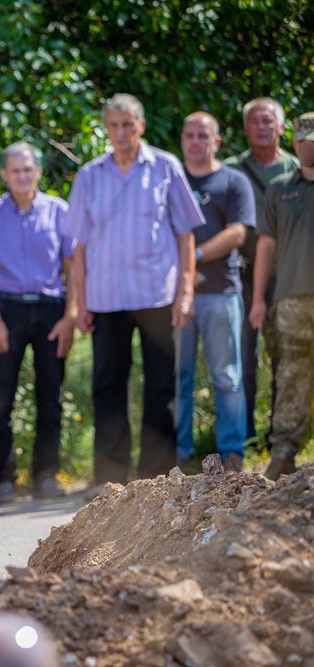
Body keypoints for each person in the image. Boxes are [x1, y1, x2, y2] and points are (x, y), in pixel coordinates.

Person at [64, 94, 204, 490]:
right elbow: (79, 247)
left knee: (160, 385)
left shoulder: (165, 167)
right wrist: (80, 302)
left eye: (128, 125)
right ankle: (110, 482)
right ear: (106, 129)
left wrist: (186, 292)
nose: (121, 133)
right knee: (107, 385)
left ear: (141, 126)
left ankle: (155, 479)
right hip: (105, 298)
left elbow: (185, 235)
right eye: (114, 125)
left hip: (157, 294)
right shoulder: (90, 175)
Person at [0, 142, 75, 503]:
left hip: (50, 308)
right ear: (4, 175)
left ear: (38, 172)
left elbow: (72, 266)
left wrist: (71, 316)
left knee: (52, 395)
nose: (21, 176)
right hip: (8, 308)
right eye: (14, 170)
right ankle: (2, 479)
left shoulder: (59, 211)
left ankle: (46, 476)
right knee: (1, 395)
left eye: (27, 169)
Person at [176, 113, 255, 472]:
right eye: (189, 135)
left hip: (221, 292)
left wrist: (193, 257)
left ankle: (232, 454)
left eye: (202, 136)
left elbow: (238, 233)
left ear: (216, 141)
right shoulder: (170, 181)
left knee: (227, 377)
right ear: (182, 139)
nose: (195, 141)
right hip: (177, 296)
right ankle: (179, 457)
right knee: (178, 377)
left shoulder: (233, 181)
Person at [225, 98, 300, 443]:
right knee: (242, 356)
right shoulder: (230, 170)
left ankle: (280, 433)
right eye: (255, 121)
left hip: (285, 276)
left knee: (285, 353)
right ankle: (245, 435)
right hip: (239, 275)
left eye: (269, 121)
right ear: (245, 128)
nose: (262, 127)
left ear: (281, 128)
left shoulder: (297, 171)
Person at [249, 112, 314, 480]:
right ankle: (284, 451)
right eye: (304, 140)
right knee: (290, 374)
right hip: (290, 298)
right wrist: (259, 298)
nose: (310, 147)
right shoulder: (278, 189)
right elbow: (265, 248)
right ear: (295, 143)